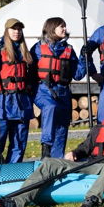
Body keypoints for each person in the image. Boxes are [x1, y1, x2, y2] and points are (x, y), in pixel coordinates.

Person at [0, 18, 36, 165]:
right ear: (7, 31)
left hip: (22, 102)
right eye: (13, 29)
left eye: (19, 29)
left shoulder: (25, 54)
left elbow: (32, 79)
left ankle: (11, 171)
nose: (17, 32)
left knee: (19, 140)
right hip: (4, 101)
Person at [30, 17, 86, 159]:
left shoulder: (68, 49)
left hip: (63, 92)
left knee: (62, 126)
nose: (65, 29)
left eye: (65, 26)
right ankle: (46, 149)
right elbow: (29, 70)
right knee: (50, 107)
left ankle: (56, 161)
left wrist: (84, 58)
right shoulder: (38, 48)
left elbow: (78, 75)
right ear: (52, 28)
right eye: (62, 26)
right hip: (43, 90)